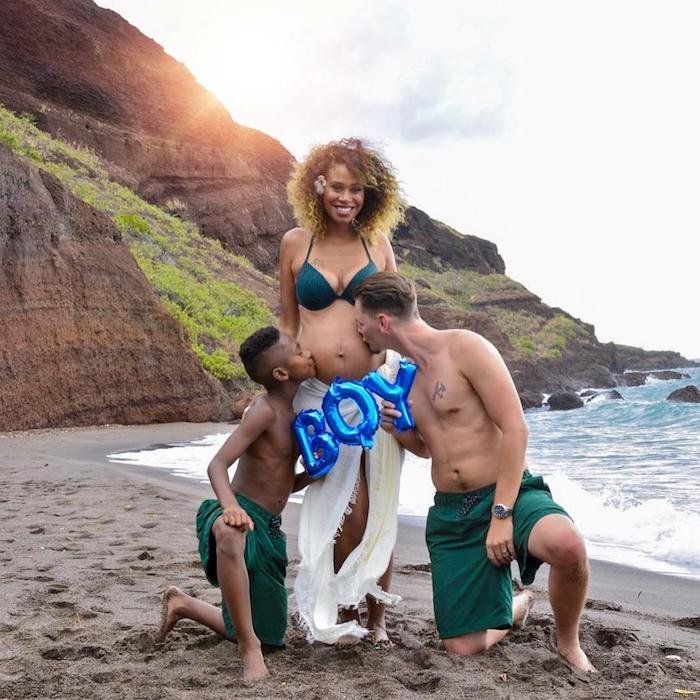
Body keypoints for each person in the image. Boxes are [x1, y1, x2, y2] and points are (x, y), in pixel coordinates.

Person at [352, 271, 596, 672]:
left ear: (383, 322)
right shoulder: (404, 380)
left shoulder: (466, 348)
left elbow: (516, 428)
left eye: (361, 322)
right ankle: (515, 608)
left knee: (568, 545)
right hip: (453, 514)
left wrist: (501, 515)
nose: (359, 332)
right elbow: (430, 449)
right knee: (461, 648)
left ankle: (568, 643)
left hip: (506, 493)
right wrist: (400, 431)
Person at [279, 138, 406, 645]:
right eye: (337, 186)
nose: (346, 198)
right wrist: (278, 382)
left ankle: (377, 620)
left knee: (379, 507)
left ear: (370, 194)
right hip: (317, 396)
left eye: (356, 189)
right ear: (318, 186)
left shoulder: (377, 245)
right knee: (341, 509)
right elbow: (288, 326)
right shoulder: (296, 244)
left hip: (375, 391)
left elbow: (399, 317)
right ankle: (337, 608)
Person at [154, 326, 316, 682]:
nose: (308, 353)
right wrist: (230, 506)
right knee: (231, 532)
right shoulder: (264, 411)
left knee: (271, 637)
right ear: (281, 373)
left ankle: (183, 604)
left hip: (268, 527)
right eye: (299, 351)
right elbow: (217, 465)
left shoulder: (299, 412)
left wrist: (312, 476)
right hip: (237, 509)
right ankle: (247, 647)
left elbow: (280, 484)